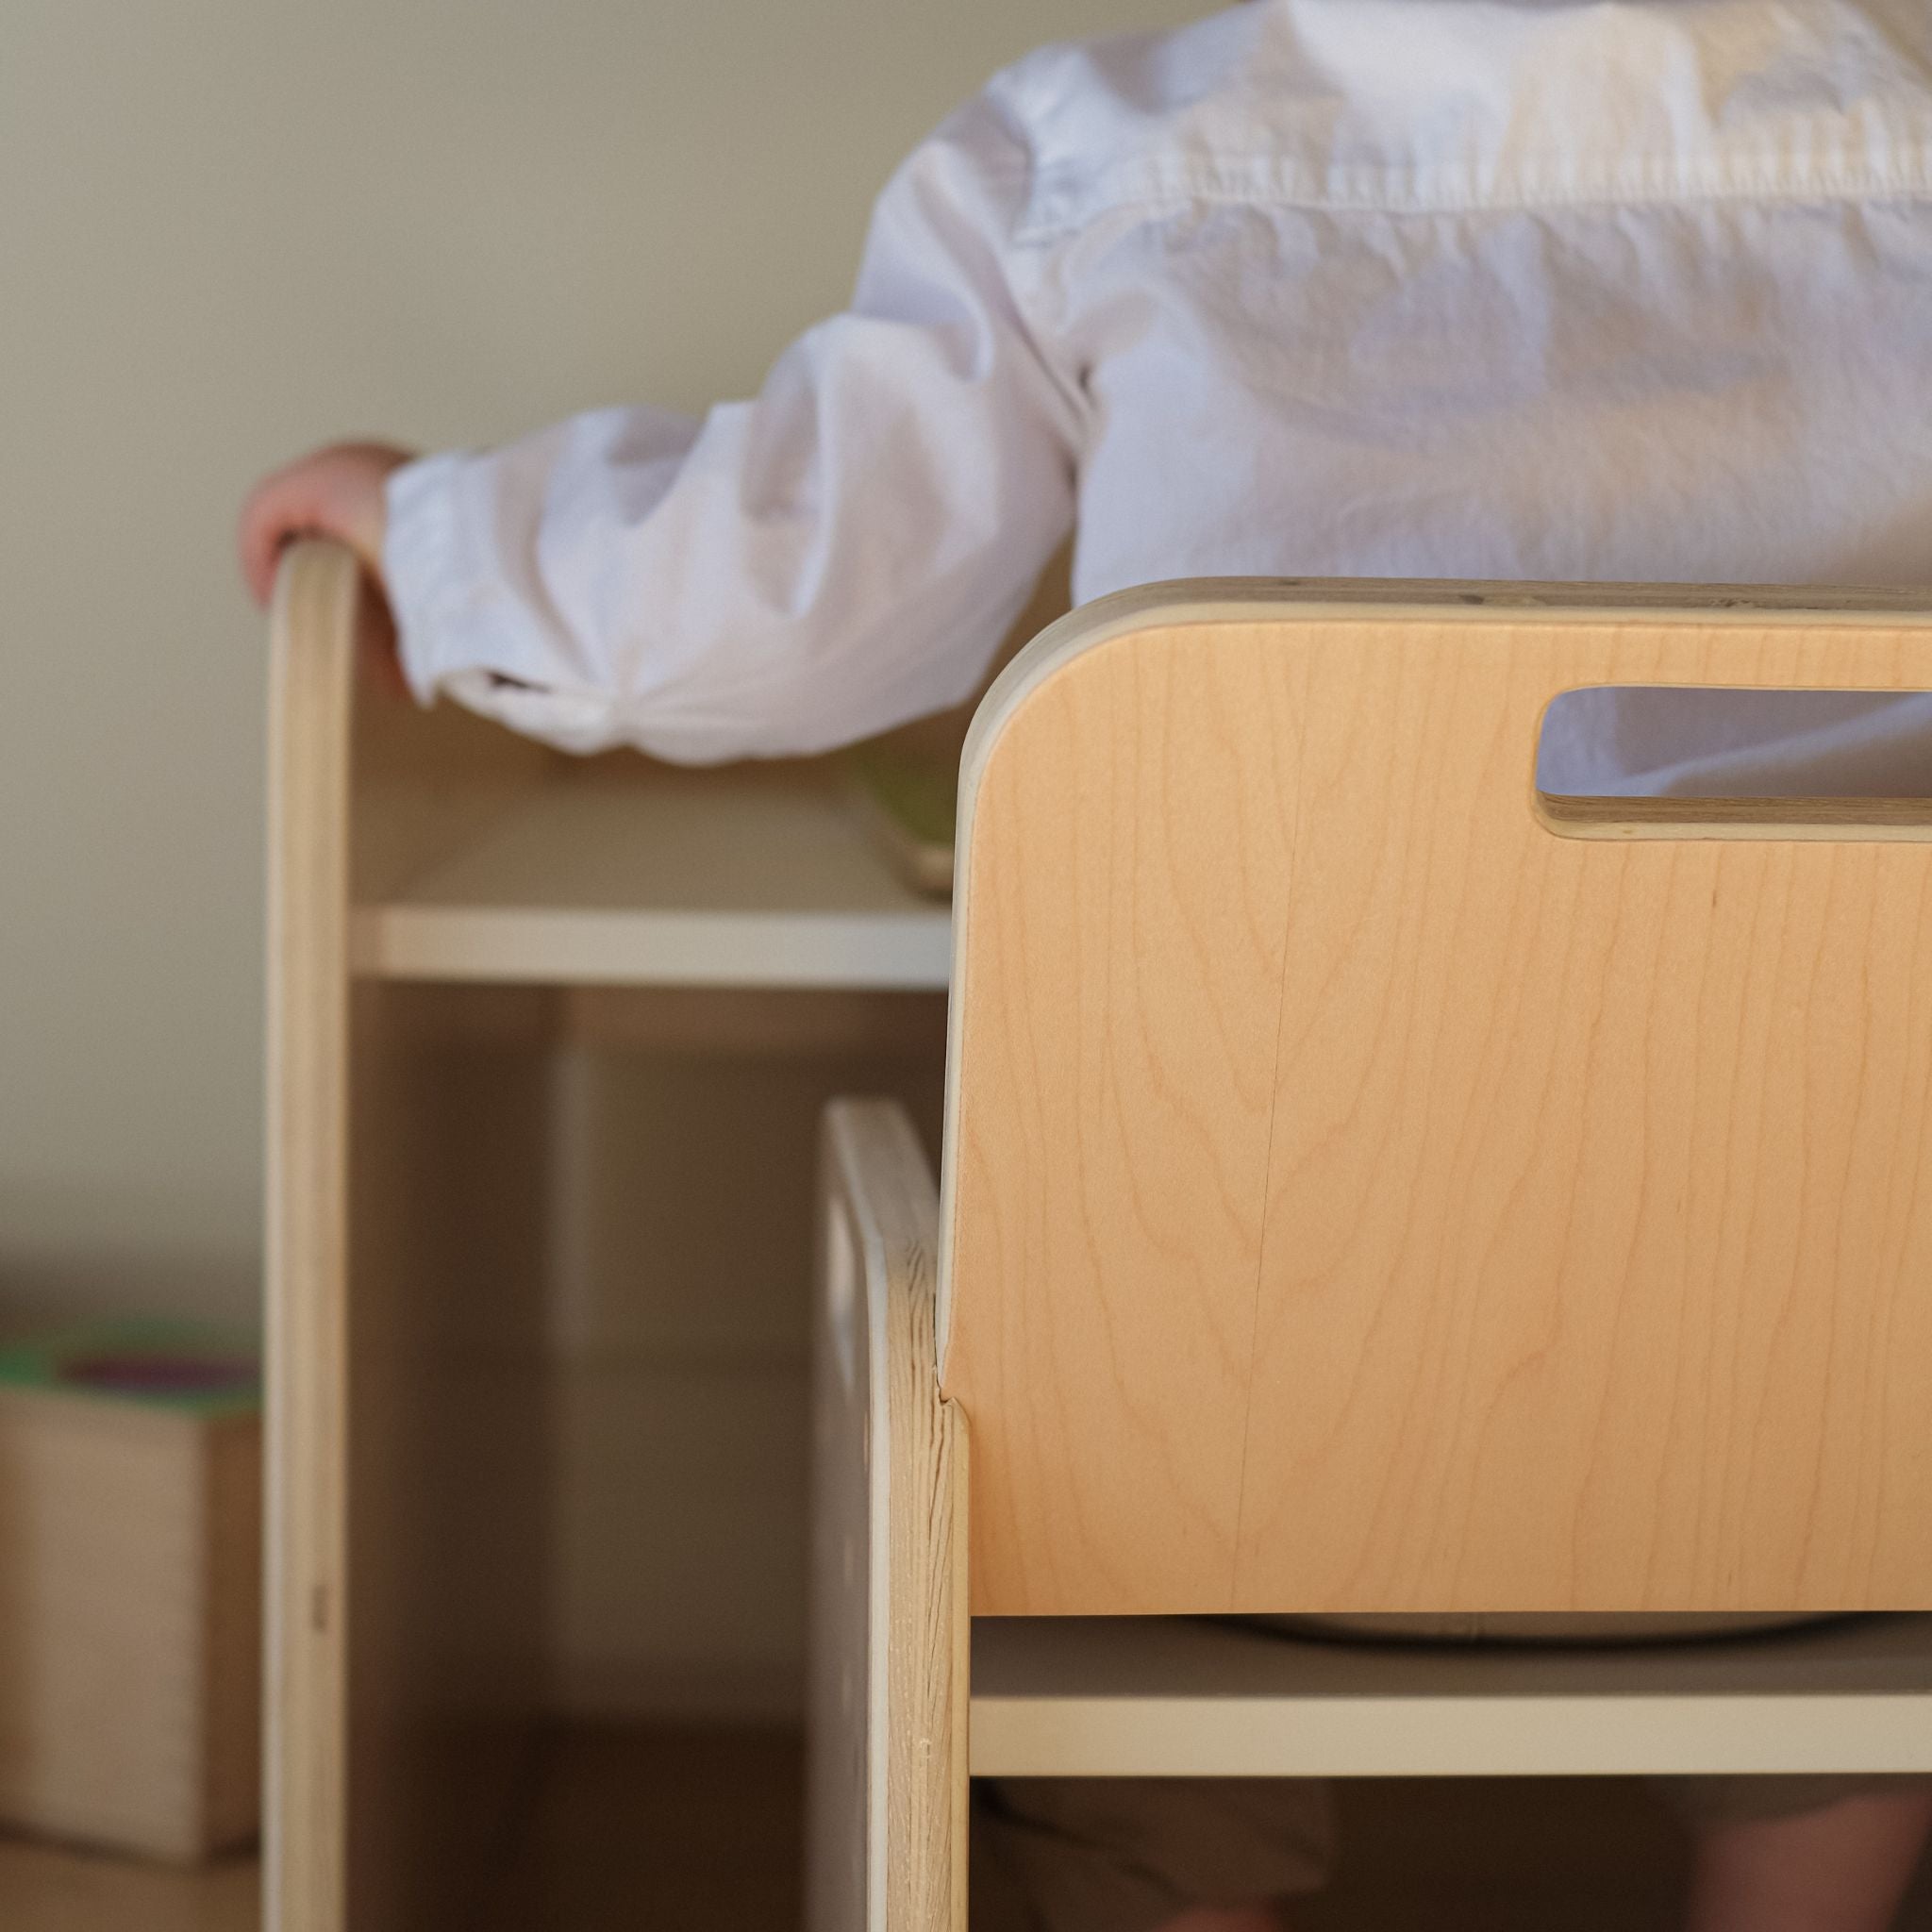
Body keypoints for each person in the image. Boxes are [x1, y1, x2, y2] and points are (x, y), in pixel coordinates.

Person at [240, 1, 1932, 1924]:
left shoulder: (1100, 158)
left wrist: (438, 538)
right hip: (1839, 1444)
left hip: (1241, 1431)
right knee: (1850, 1332)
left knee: (1087, 1317)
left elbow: (789, 592)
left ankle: (1179, 1888)